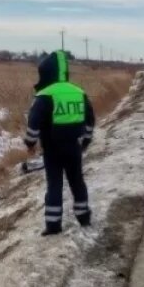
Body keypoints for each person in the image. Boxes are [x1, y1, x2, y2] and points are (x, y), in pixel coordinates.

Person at [23, 50, 95, 235]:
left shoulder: (45, 95)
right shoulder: (79, 92)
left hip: (52, 149)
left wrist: (30, 143)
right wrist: (86, 140)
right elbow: (90, 119)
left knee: (54, 184)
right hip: (73, 147)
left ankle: (53, 225)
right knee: (77, 182)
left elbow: (33, 123)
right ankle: (84, 217)